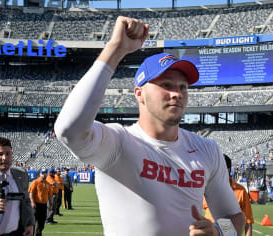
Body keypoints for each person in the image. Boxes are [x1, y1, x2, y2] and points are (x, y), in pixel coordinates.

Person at [54, 16, 245, 236]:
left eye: (183, 87)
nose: (177, 94)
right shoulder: (119, 142)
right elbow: (69, 130)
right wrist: (115, 49)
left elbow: (235, 216)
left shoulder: (207, 149)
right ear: (139, 94)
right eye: (166, 85)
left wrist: (220, 232)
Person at [203, 154, 254, 236]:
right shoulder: (206, 188)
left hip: (229, 232)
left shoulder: (240, 191)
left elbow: (248, 221)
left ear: (228, 170)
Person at [29, 169, 53, 236]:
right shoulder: (35, 182)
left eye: (45, 173)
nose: (44, 174)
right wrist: (32, 202)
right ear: (39, 174)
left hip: (44, 205)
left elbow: (50, 195)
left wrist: (51, 204)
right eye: (42, 173)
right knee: (33, 222)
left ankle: (38, 234)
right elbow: (31, 193)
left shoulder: (48, 184)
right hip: (36, 205)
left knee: (41, 223)